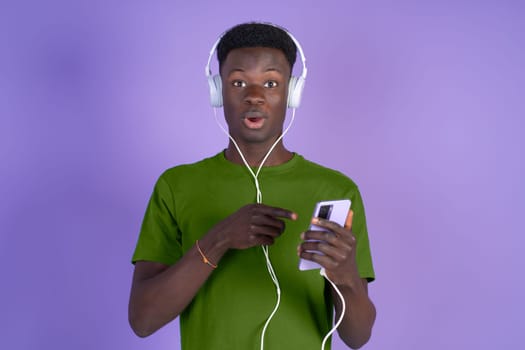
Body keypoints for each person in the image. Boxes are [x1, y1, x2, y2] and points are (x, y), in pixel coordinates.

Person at [128, 22, 376, 350]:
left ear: (292, 92)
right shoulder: (176, 186)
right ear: (217, 91)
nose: (255, 96)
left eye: (271, 82)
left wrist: (346, 278)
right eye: (238, 82)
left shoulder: (335, 190)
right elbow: (143, 321)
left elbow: (357, 338)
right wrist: (219, 240)